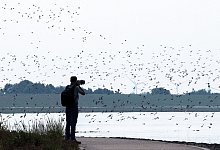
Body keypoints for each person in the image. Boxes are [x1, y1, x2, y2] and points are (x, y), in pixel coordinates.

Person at [65, 76, 85, 144]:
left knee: (68, 122)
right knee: (73, 123)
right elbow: (83, 93)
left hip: (67, 107)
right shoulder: (76, 87)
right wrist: (78, 86)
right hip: (74, 106)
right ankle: (73, 139)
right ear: (75, 81)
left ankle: (67, 138)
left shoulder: (67, 87)